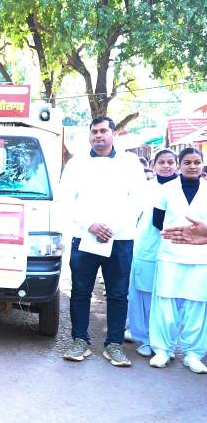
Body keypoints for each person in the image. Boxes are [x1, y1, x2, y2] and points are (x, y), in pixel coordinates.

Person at [59, 116, 147, 367]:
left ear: (113, 134)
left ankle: (114, 344)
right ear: (89, 135)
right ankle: (80, 341)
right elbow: (66, 200)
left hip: (120, 238)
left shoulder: (129, 163)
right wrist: (90, 225)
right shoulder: (77, 163)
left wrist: (112, 227)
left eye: (103, 131)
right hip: (85, 236)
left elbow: (138, 201)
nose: (99, 135)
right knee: (80, 291)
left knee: (118, 293)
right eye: (94, 131)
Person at [148, 148, 207, 373]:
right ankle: (163, 349)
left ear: (202, 165)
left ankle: (193, 354)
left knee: (197, 305)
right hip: (170, 254)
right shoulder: (166, 190)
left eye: (197, 162)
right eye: (187, 162)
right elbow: (157, 221)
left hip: (202, 257)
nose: (192, 166)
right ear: (180, 165)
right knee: (165, 304)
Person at [126, 149, 178, 358]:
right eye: (161, 162)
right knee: (144, 294)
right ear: (154, 165)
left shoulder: (184, 189)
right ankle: (146, 338)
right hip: (146, 246)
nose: (166, 166)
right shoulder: (145, 189)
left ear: (176, 165)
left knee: (170, 297)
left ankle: (167, 342)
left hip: (175, 249)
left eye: (170, 162)